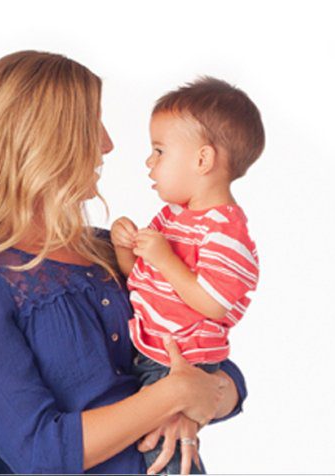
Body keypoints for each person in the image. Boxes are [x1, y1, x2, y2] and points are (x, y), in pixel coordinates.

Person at [0, 51, 249, 474]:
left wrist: (204, 397)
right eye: (92, 122)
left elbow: (213, 362)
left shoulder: (111, 251)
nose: (107, 143)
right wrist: (171, 396)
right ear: (44, 139)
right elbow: (39, 454)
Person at [110, 77, 264, 473]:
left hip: (178, 362)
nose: (149, 162)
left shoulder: (227, 232)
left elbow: (214, 304)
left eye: (159, 151)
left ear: (202, 160)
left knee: (165, 456)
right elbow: (140, 282)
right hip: (151, 353)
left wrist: (164, 259)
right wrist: (124, 249)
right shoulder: (173, 218)